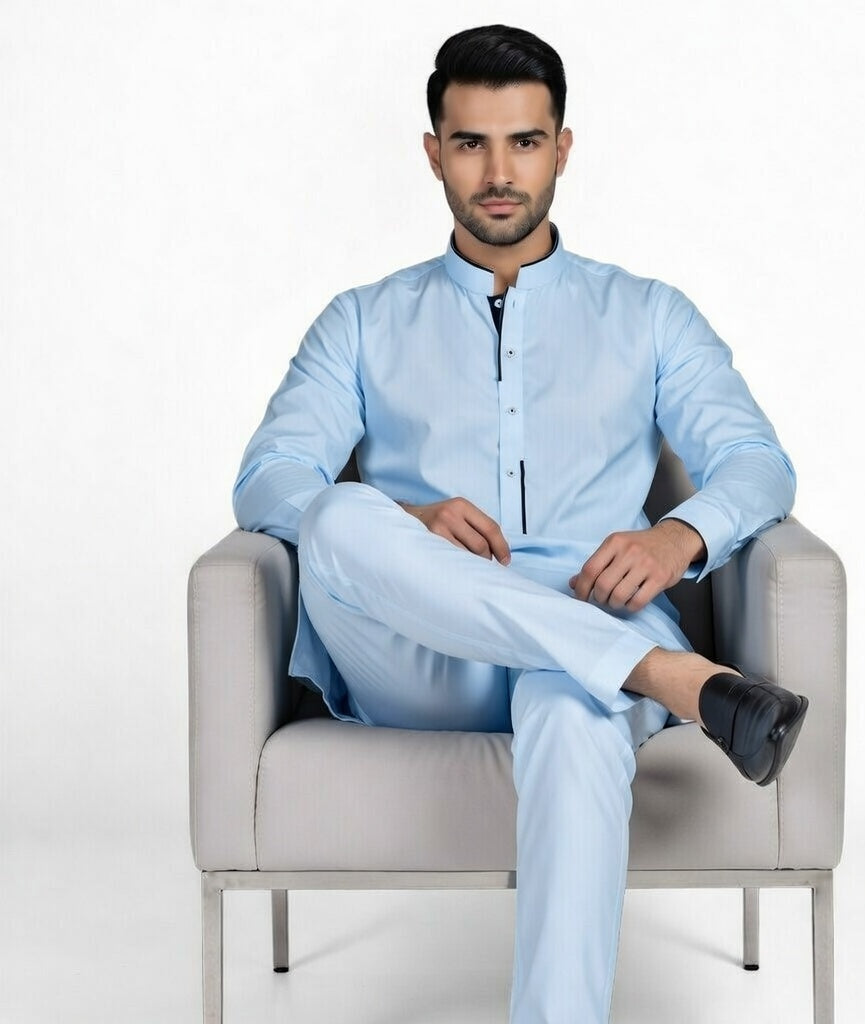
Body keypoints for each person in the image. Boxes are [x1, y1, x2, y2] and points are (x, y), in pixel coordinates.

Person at [233, 23, 808, 1024]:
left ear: (562, 147)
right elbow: (268, 480)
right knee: (332, 511)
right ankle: (671, 679)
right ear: (433, 153)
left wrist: (677, 539)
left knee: (574, 708)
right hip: (421, 650)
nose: (498, 173)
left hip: (594, 622)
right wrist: (404, 518)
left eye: (524, 142)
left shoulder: (649, 314)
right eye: (470, 144)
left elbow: (758, 463)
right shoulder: (361, 321)